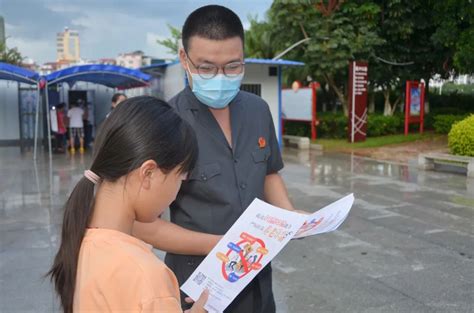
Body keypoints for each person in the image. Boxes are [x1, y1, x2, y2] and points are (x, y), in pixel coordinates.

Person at [133, 5, 301, 313]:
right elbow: (142, 226)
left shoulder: (258, 110)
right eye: (207, 68)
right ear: (184, 59)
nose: (221, 77)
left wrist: (290, 217)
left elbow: (269, 173)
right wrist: (223, 245)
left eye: (233, 67)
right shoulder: (166, 125)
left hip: (258, 279)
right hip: (201, 287)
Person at [47, 96, 208, 313]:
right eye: (180, 178)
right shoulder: (145, 276)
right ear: (148, 174)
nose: (176, 194)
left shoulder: (81, 241)